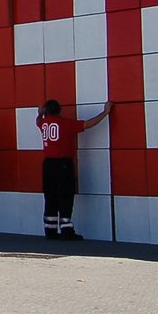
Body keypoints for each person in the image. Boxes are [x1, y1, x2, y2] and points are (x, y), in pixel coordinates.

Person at [38, 99, 111, 240]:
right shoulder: (65, 124)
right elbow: (88, 124)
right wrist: (105, 112)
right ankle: (66, 230)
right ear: (59, 110)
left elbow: (37, 120)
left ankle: (50, 229)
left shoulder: (42, 124)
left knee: (50, 195)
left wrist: (40, 113)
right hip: (63, 164)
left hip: (48, 165)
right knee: (65, 195)